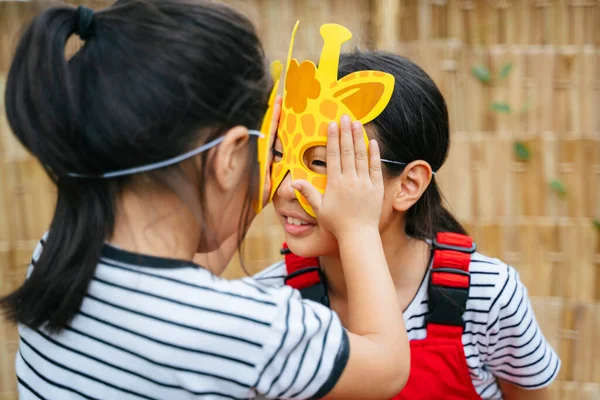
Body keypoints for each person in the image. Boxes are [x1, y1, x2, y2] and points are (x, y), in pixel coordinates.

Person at [0, 2, 410, 399]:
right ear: (229, 156)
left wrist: (246, 187)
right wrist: (357, 226)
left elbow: (181, 278)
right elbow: (387, 367)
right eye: (268, 150)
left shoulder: (56, 254)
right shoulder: (250, 328)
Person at [257, 50, 561, 399]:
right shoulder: (268, 302)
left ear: (408, 185)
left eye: (323, 162)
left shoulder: (487, 296)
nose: (286, 188)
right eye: (279, 155)